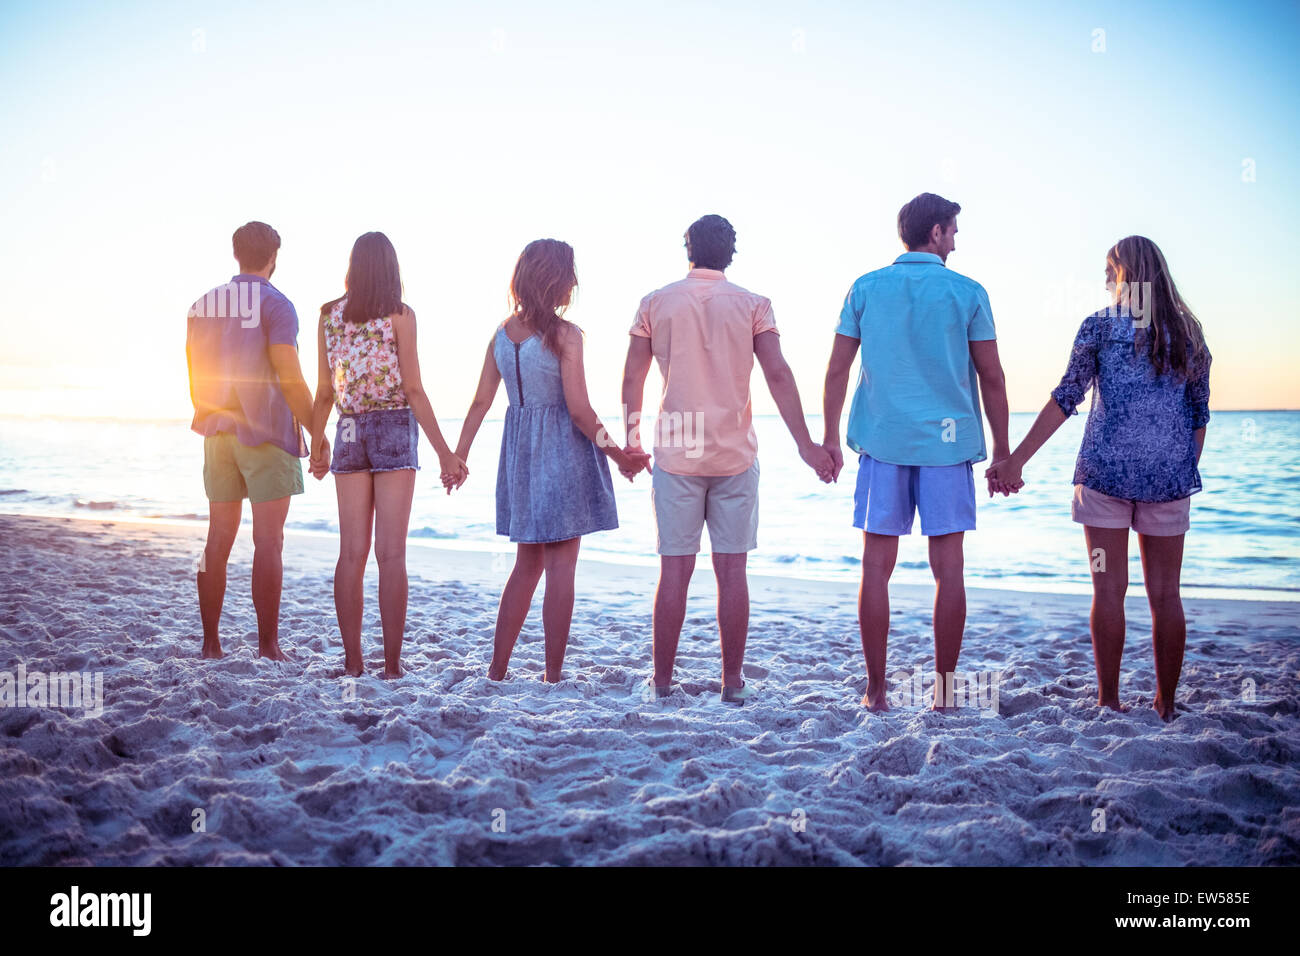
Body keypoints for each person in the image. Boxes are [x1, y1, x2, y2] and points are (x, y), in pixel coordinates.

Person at [986, 237, 1211, 721]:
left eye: (1110, 270)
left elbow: (1067, 397)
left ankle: (1109, 701)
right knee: (1166, 594)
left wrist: (1016, 460)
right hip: (1168, 484)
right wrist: (1177, 467)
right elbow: (1199, 416)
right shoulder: (1190, 335)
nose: (1106, 280)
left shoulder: (1099, 328)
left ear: (1124, 274)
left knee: (1108, 589)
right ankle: (1165, 706)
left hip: (1103, 480)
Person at [622, 214, 834, 706]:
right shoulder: (754, 304)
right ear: (731, 253)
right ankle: (732, 682)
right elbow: (778, 373)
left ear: (687, 248)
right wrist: (806, 445)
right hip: (734, 448)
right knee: (731, 570)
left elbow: (633, 377)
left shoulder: (655, 302)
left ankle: (662, 682)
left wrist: (631, 441)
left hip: (678, 447)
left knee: (673, 569)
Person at [821, 193, 1014, 711]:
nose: (955, 240)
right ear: (935, 233)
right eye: (952, 230)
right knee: (948, 568)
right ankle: (945, 693)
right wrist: (1003, 451)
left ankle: (876, 690)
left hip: (883, 442)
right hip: (946, 448)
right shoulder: (968, 292)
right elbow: (992, 377)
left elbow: (838, 370)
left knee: (875, 567)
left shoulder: (865, 287)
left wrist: (827, 438)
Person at [452, 239, 649, 682]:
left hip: (520, 454)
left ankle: (498, 669)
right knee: (561, 567)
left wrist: (459, 455)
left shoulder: (501, 335)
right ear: (557, 281)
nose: (574, 283)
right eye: (570, 275)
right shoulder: (566, 336)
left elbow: (481, 401)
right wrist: (619, 455)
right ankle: (552, 674)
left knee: (526, 566)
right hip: (562, 451)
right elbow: (579, 410)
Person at [309, 232, 467, 679]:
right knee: (391, 555)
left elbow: (324, 391)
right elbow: (413, 389)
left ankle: (354, 662)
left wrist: (318, 443)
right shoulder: (401, 315)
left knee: (351, 553)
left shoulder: (328, 316)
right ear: (391, 268)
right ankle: (393, 666)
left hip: (349, 426)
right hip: (394, 423)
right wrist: (445, 453)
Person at [186, 221, 323, 661]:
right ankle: (267, 646)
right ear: (273, 257)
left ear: (236, 254)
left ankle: (210, 643)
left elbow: (196, 377)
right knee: (269, 542)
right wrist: (317, 434)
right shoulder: (277, 305)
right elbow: (290, 378)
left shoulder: (202, 305)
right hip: (266, 433)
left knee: (216, 541)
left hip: (216, 432)